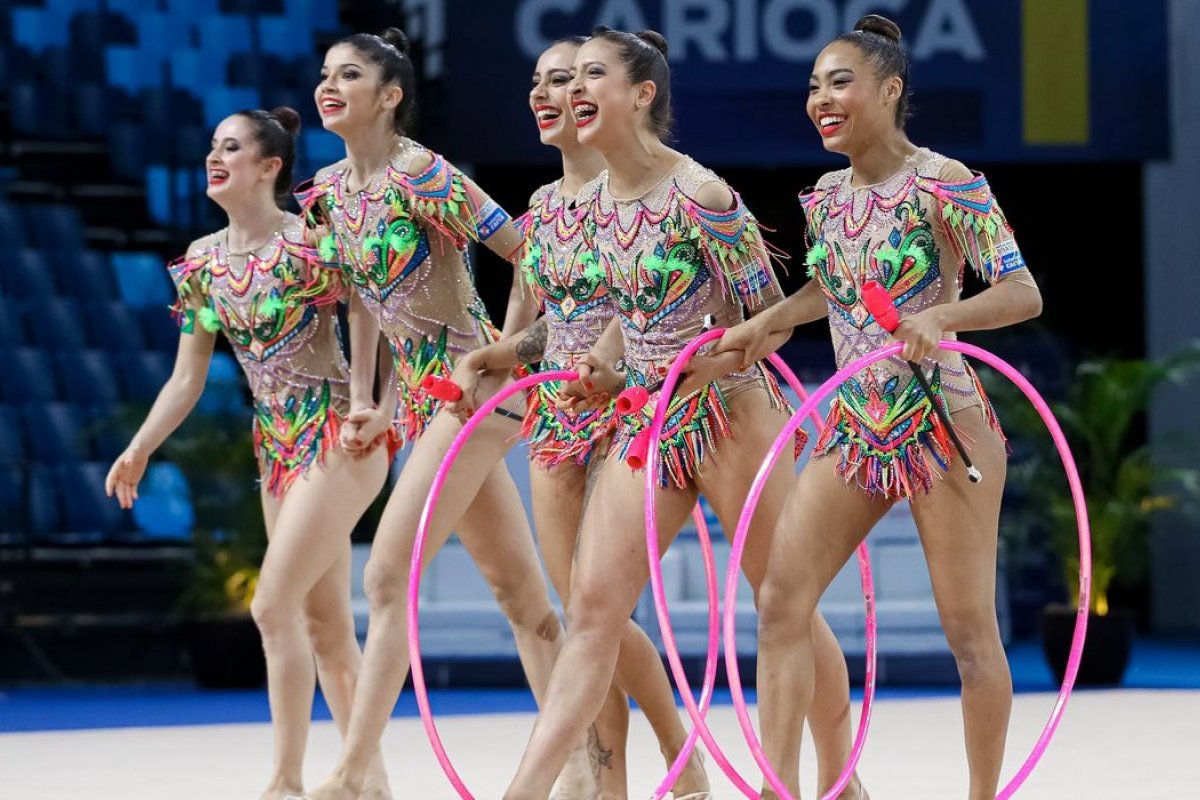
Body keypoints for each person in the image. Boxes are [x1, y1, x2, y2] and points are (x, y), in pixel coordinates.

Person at [502, 28, 862, 800]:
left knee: (782, 604)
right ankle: (525, 792)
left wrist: (717, 357)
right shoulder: (589, 203)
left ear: (642, 94)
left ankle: (837, 780)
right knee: (593, 611)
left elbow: (772, 315)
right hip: (650, 422)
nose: (572, 92)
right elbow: (624, 309)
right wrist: (604, 360)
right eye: (571, 81)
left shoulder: (701, 195)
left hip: (732, 413)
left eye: (592, 76)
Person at [715, 15, 1043, 799]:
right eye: (812, 87)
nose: (820, 100)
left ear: (890, 90)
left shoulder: (946, 181)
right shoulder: (827, 196)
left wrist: (941, 317)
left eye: (839, 82)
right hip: (855, 425)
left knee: (967, 634)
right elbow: (829, 288)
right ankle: (780, 788)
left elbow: (1022, 292)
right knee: (780, 599)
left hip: (943, 422)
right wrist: (769, 321)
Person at [296, 30, 578, 800]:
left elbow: (536, 253)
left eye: (349, 75)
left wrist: (519, 347)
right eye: (325, 74)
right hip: (427, 405)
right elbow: (360, 299)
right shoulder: (329, 191)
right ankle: (585, 767)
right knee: (525, 603)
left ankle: (355, 771)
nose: (329, 85)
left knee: (387, 578)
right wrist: (368, 399)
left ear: (389, 97)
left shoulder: (422, 174)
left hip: (477, 391)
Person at [448, 35, 710, 798]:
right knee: (583, 611)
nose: (546, 94)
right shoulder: (541, 208)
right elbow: (531, 328)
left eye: (566, 80)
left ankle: (665, 754)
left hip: (626, 416)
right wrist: (492, 360)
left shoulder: (637, 196)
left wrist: (607, 358)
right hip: (555, 421)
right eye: (538, 81)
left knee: (601, 610)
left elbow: (658, 302)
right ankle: (618, 773)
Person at [105, 108, 393, 800]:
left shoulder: (311, 247)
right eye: (212, 146)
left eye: (230, 148)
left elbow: (371, 314)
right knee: (325, 627)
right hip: (278, 448)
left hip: (338, 437)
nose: (214, 156)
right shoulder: (202, 264)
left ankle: (286, 781)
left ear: (269, 167)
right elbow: (188, 375)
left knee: (271, 607)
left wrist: (370, 403)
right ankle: (371, 779)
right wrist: (141, 447)